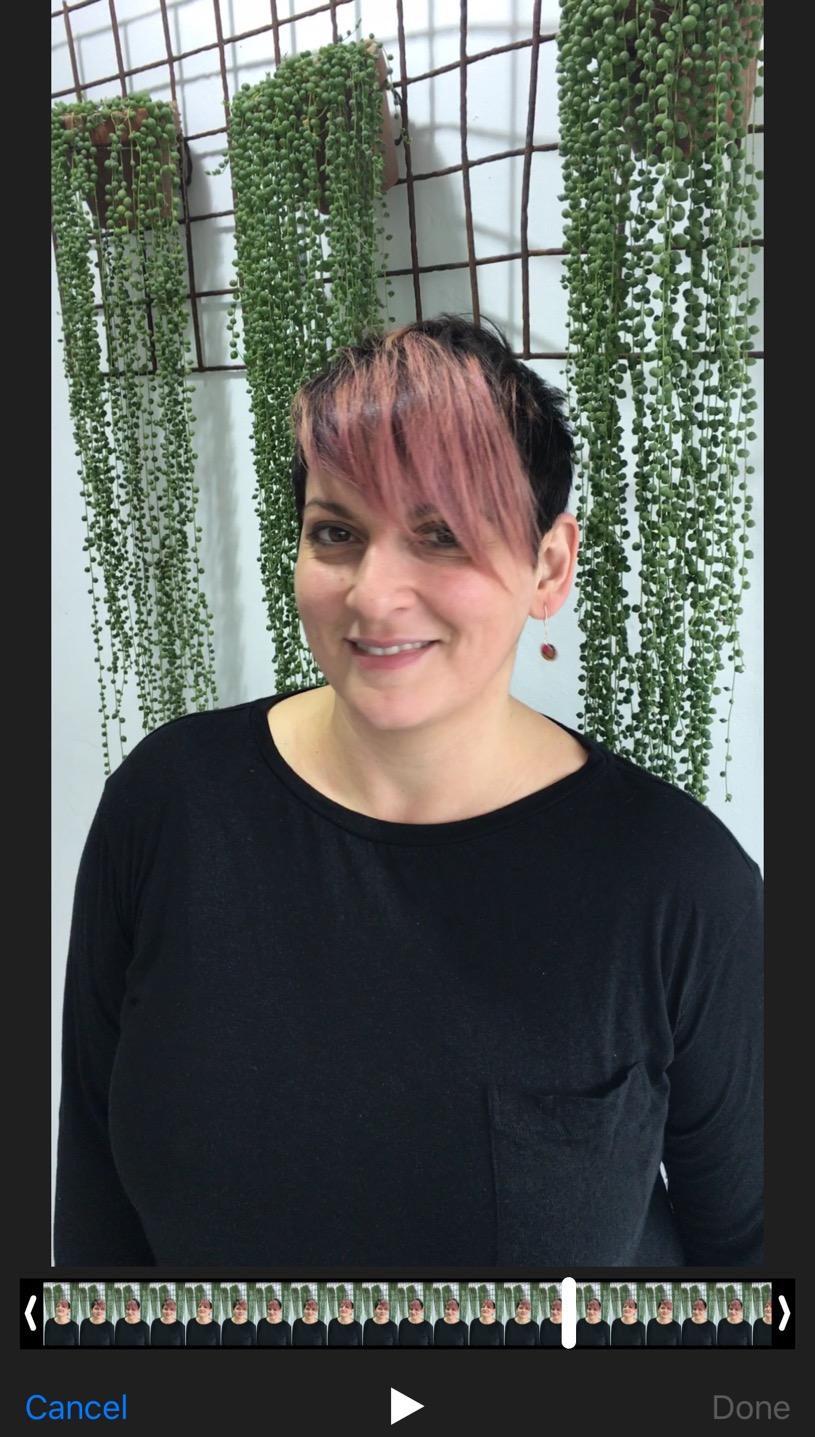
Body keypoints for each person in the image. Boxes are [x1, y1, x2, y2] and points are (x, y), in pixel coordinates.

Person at [53, 313, 764, 1270]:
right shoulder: (169, 804)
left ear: (548, 565)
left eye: (440, 535)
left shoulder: (677, 881)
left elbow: (751, 1266)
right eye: (336, 532)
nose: (374, 594)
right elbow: (94, 1202)